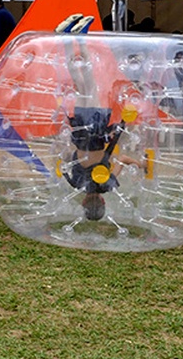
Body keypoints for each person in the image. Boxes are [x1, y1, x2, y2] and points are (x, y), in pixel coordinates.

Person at [59, 15, 145, 221]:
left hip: (97, 134)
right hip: (80, 134)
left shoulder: (107, 183)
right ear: (83, 203)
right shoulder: (75, 182)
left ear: (103, 202)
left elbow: (122, 159)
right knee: (80, 85)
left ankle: (80, 39)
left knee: (88, 82)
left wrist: (140, 165)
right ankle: (66, 40)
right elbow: (65, 158)